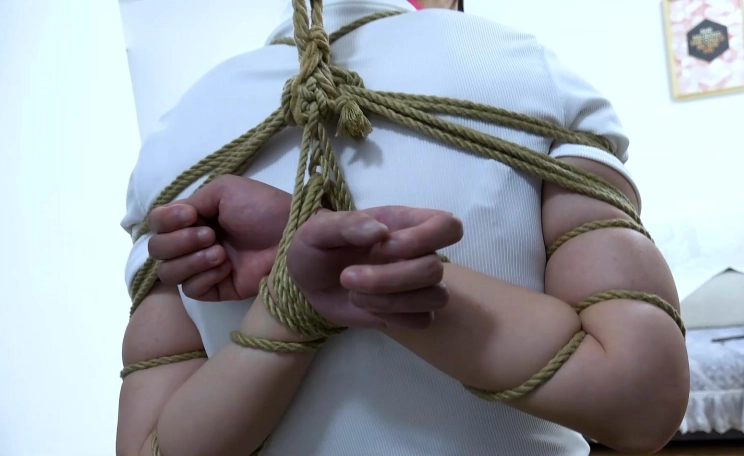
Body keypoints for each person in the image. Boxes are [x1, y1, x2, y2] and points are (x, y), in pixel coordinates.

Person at [116, 0, 690, 455]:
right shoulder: (528, 72)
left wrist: (308, 286)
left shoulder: (171, 147)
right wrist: (347, 267)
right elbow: (641, 400)